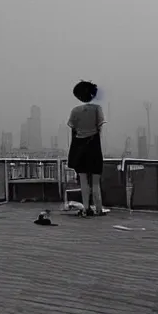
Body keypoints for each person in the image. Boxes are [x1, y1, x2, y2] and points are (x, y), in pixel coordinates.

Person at [67, 80, 106, 217]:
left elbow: (73, 131)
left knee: (83, 181)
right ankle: (99, 209)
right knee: (95, 182)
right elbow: (100, 128)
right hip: (94, 147)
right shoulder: (97, 109)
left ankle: (86, 208)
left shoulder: (75, 111)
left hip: (79, 147)